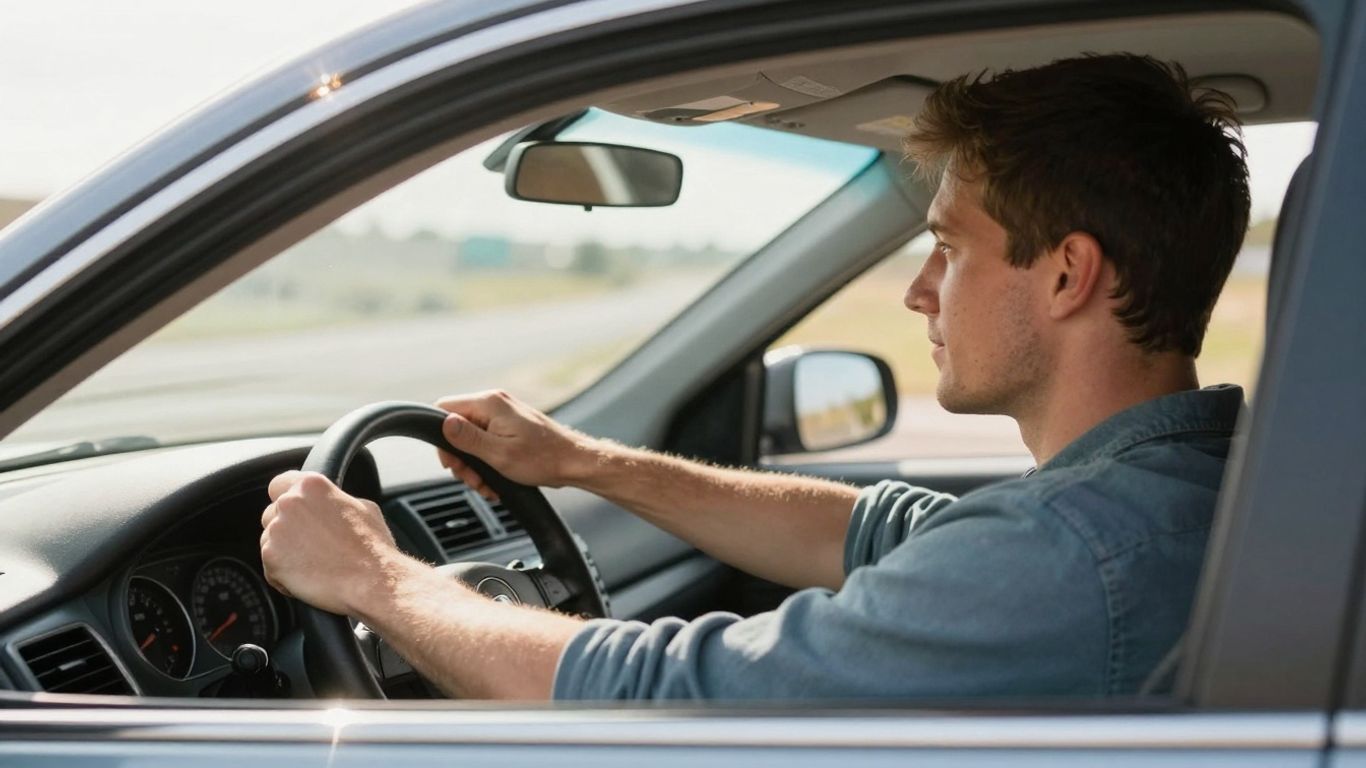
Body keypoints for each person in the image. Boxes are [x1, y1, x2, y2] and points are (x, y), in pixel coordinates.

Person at [258, 53, 1251, 701]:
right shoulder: (1199, 484)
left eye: (949, 248)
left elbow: (675, 703)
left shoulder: (1070, 556)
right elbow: (874, 531)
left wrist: (374, 579)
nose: (918, 291)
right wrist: (580, 460)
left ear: (1068, 274)